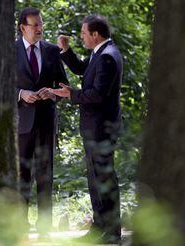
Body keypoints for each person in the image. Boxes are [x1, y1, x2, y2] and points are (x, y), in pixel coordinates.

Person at [49, 15, 123, 244]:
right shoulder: (100, 52)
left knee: (104, 178)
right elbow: (83, 70)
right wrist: (66, 51)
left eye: (83, 33)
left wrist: (71, 94)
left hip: (102, 127)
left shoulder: (108, 57)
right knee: (95, 178)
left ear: (95, 35)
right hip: (94, 127)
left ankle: (111, 231)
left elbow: (98, 95)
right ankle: (99, 225)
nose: (81, 37)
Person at [15, 7, 68, 236]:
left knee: (46, 174)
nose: (39, 28)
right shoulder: (9, 51)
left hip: (46, 121)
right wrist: (20, 94)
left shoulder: (52, 51)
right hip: (21, 122)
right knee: (22, 175)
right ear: (22, 28)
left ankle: (45, 227)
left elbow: (63, 86)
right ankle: (19, 226)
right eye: (34, 25)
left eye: (41, 24)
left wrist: (53, 93)